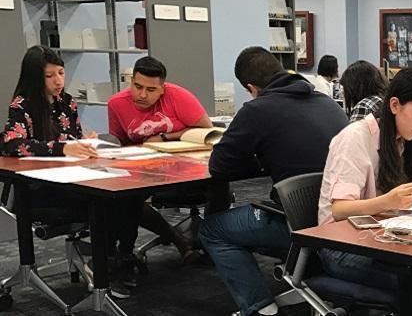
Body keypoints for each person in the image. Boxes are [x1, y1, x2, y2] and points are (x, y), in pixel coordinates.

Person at [199, 47, 348, 316]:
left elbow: (219, 166)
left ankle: (260, 308)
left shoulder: (257, 109)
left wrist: (261, 160)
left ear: (251, 87)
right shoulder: (327, 103)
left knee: (212, 229)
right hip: (342, 221)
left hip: (298, 223)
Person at [319, 68, 412, 315]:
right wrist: (388, 201)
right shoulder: (355, 138)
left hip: (383, 237)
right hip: (342, 247)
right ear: (394, 105)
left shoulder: (401, 140)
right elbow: (339, 209)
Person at [3, 45, 141, 298]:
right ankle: (102, 264)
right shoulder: (22, 105)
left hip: (76, 178)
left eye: (61, 73)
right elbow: (12, 144)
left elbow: (73, 140)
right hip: (42, 188)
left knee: (130, 194)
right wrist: (63, 148)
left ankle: (120, 258)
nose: (58, 81)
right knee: (108, 202)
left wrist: (85, 142)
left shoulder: (67, 102)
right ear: (35, 78)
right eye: (49, 76)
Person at [107, 56, 212, 263]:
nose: (142, 95)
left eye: (151, 90)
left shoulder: (179, 96)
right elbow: (118, 143)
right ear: (131, 82)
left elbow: (207, 131)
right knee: (124, 198)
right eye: (137, 87)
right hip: (143, 169)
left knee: (219, 185)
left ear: (162, 88)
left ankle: (213, 242)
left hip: (185, 167)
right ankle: (125, 256)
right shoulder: (116, 104)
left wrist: (165, 137)